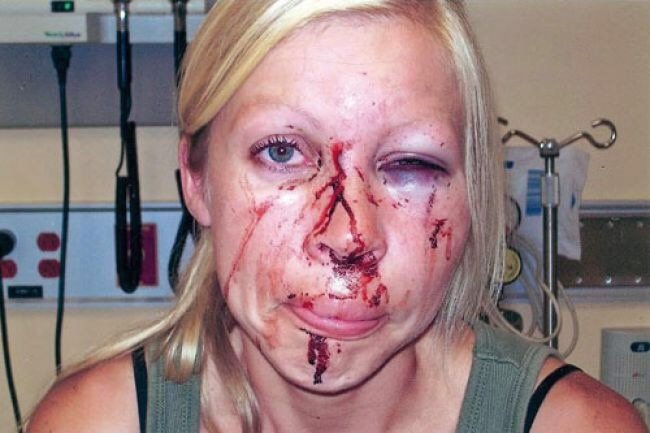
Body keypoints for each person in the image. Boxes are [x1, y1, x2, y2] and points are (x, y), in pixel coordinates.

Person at [27, 1, 647, 432]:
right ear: (196, 178)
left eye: (409, 164)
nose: (349, 237)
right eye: (282, 152)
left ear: (471, 197)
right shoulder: (93, 423)